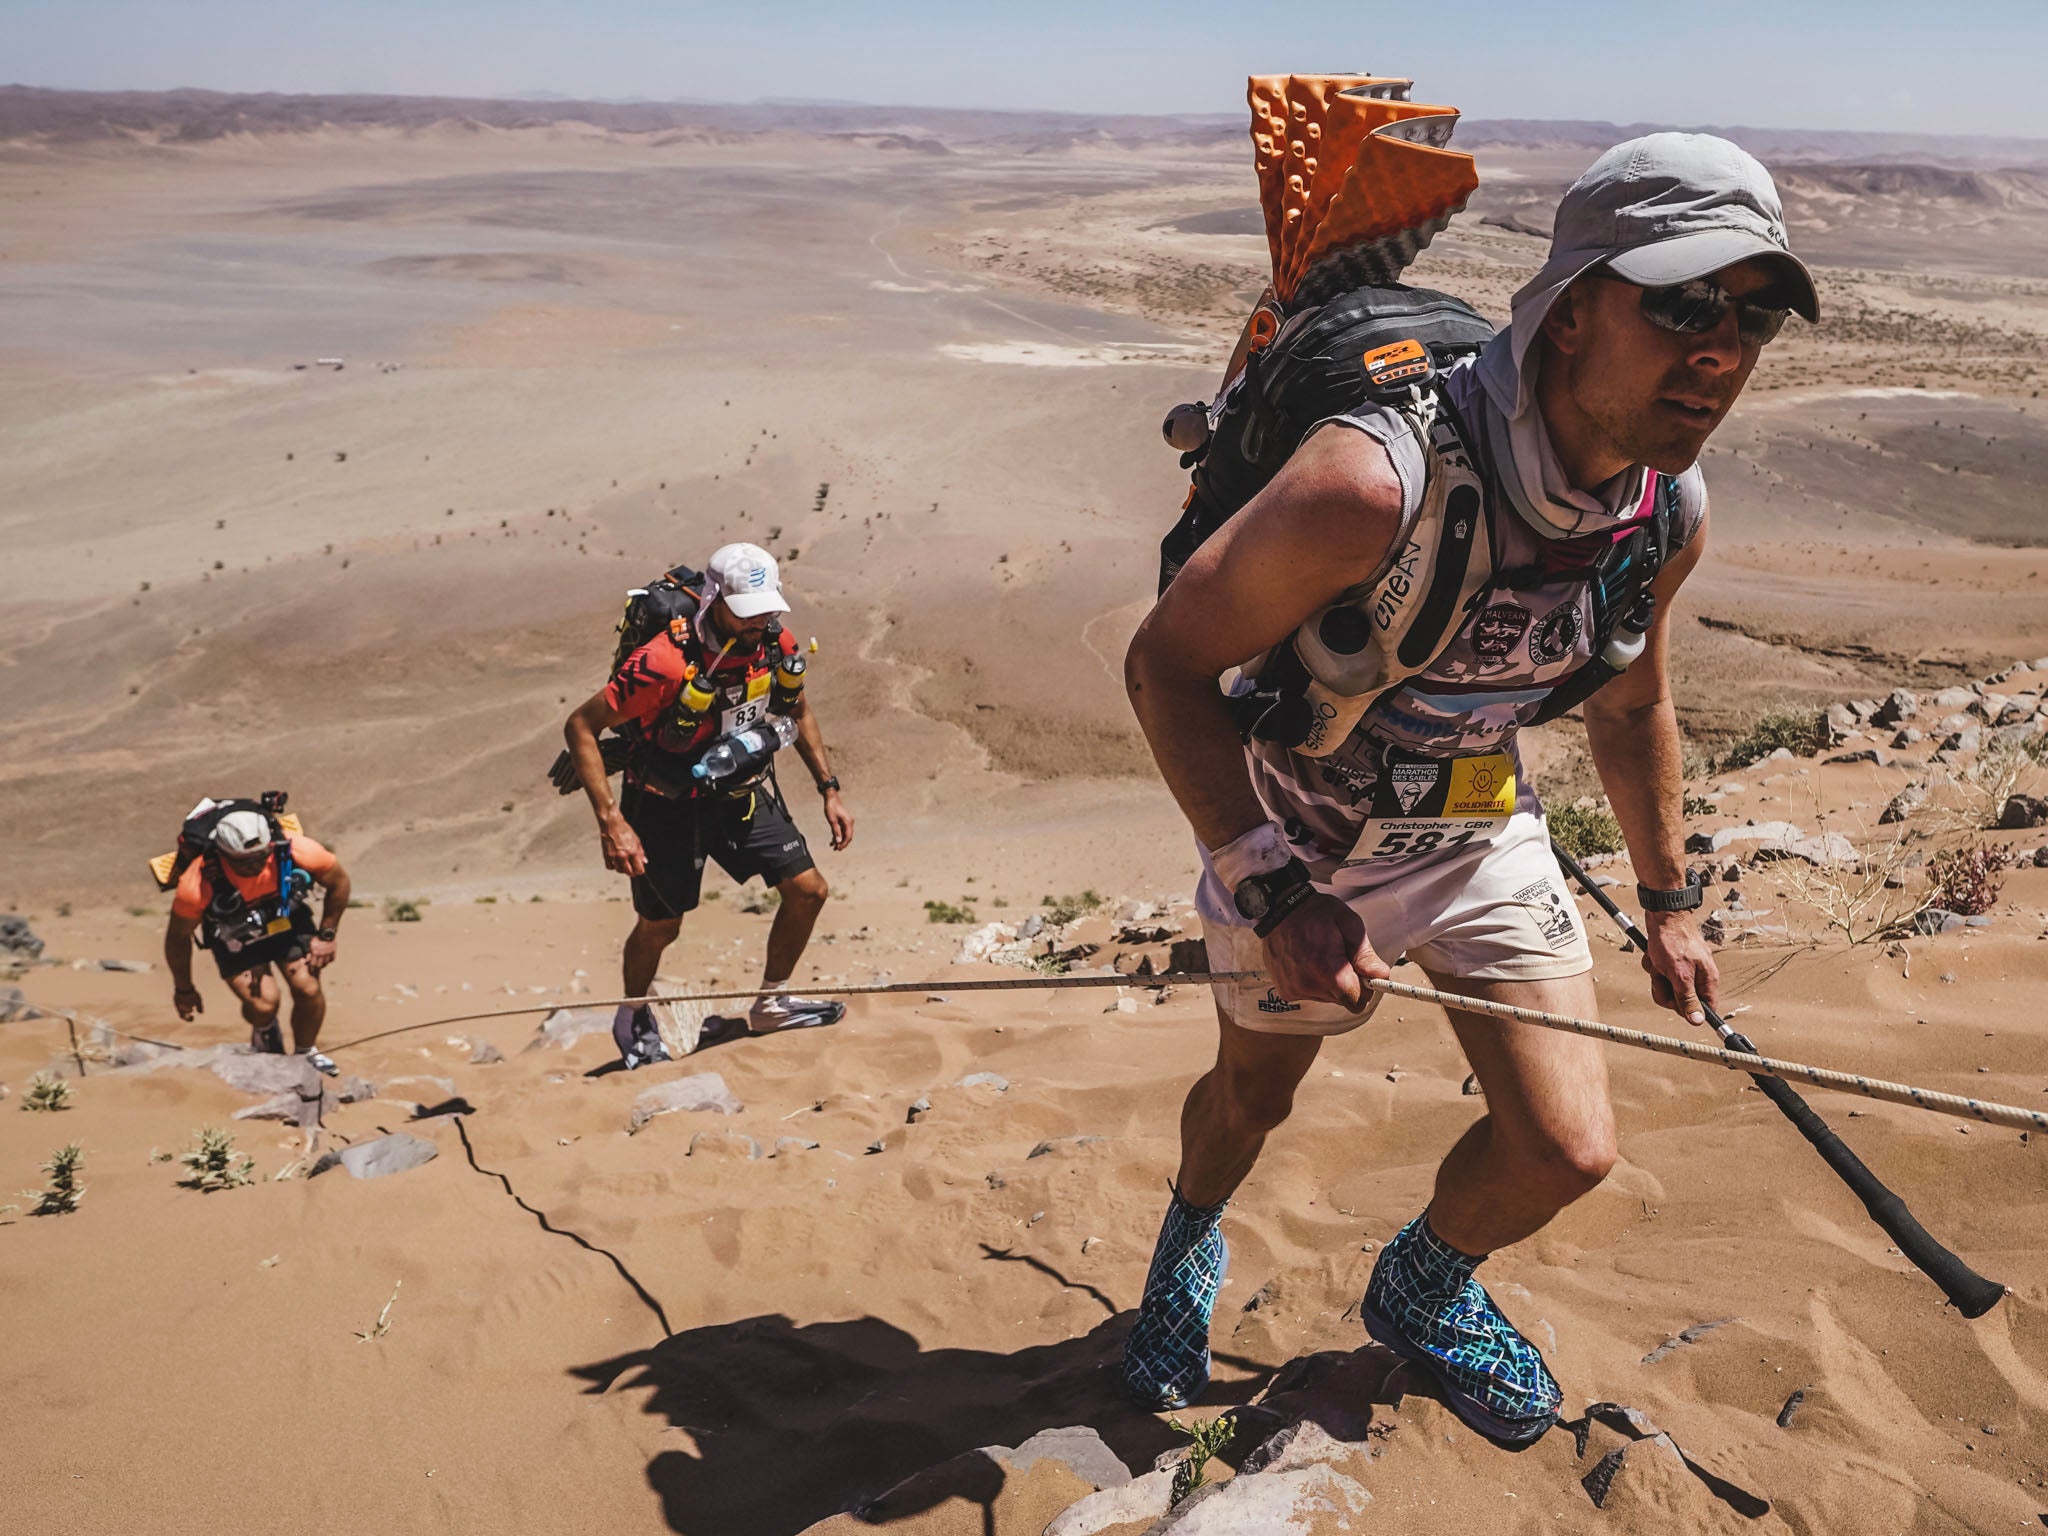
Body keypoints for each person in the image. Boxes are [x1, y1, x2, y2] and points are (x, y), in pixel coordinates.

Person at [1120, 134, 1818, 1443]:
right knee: (1251, 1102)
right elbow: (1165, 666)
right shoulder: (1368, 486)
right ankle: (1187, 1246)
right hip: (1303, 838)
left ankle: (1420, 1291)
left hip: (1477, 823)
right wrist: (1272, 890)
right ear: (1568, 314)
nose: (1720, 348)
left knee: (1566, 1149)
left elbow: (1632, 698)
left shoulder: (1666, 506)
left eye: (1754, 314)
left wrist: (1669, 899)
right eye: (1680, 304)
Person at [563, 542, 855, 1061]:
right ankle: (633, 1014)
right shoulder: (662, 662)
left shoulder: (772, 640)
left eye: (766, 608)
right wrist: (612, 822)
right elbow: (581, 726)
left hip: (736, 790)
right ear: (713, 599)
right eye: (746, 612)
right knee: (661, 925)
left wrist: (828, 788)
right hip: (663, 804)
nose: (759, 621)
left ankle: (771, 1004)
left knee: (808, 890)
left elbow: (798, 709)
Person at [165, 808, 351, 1075]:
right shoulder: (196, 885)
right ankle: (264, 1028)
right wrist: (184, 989)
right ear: (223, 854)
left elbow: (340, 882)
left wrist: (326, 936)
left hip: (287, 919)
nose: (255, 866)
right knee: (264, 1004)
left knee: (308, 989)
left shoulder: (298, 850)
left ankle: (305, 1054)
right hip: (233, 932)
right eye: (243, 862)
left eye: (261, 857)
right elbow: (177, 939)